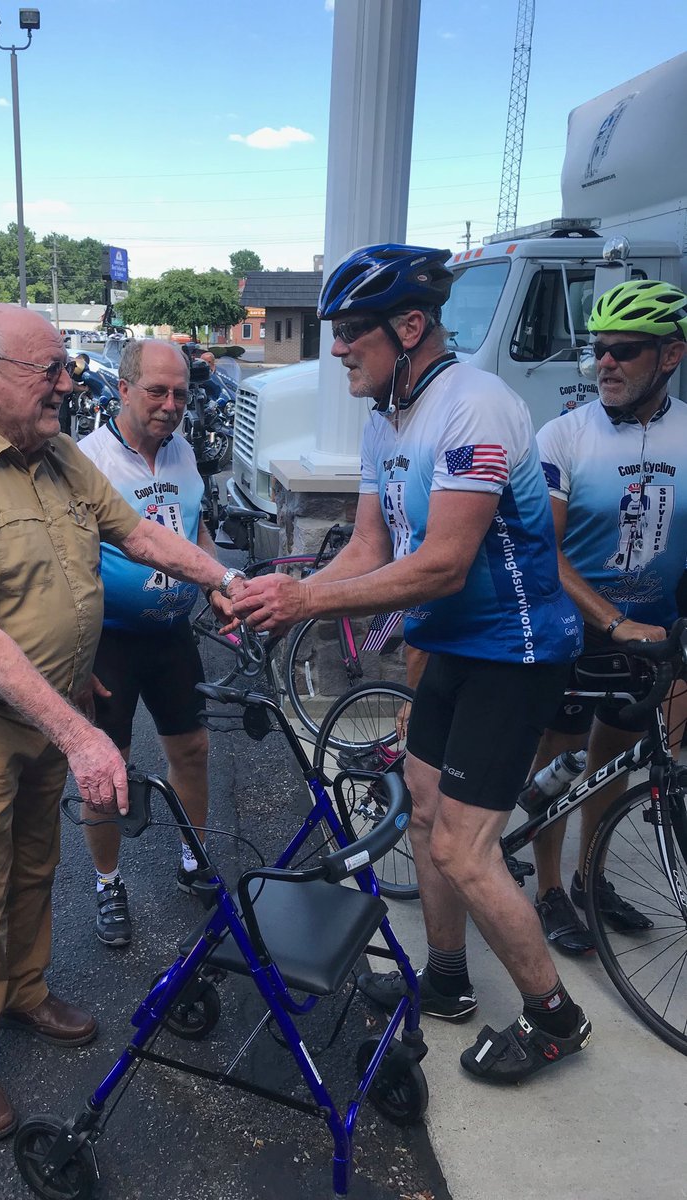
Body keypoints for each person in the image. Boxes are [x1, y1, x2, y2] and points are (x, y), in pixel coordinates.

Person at [232, 244, 591, 1085]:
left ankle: (556, 1018)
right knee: (425, 815)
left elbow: (444, 564)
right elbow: (368, 546)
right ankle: (452, 978)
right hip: (451, 646)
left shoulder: (475, 407)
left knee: (467, 849)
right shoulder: (386, 414)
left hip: (515, 649)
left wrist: (305, 605)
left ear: (412, 326)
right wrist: (279, 600)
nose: (338, 348)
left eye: (353, 331)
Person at [0, 305, 245, 1142]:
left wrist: (222, 577)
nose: (66, 381)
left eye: (64, 366)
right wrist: (85, 735)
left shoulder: (50, 453)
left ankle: (22, 989)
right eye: (46, 368)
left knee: (35, 861)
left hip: (48, 704)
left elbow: (136, 532)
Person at [527, 279, 687, 955]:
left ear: (671, 355)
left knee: (613, 762)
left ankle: (591, 878)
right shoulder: (564, 435)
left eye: (624, 350)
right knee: (558, 760)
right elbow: (544, 553)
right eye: (599, 350)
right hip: (572, 626)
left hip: (652, 632)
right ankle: (548, 890)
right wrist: (611, 622)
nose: (606, 364)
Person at [77, 340, 230, 947]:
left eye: (181, 394)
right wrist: (74, 655)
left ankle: (193, 854)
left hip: (171, 635)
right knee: (102, 769)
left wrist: (218, 584)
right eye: (156, 392)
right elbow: (66, 566)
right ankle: (107, 882)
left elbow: (197, 531)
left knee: (192, 750)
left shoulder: (185, 451)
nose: (170, 405)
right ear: (123, 388)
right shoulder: (88, 460)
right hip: (108, 641)